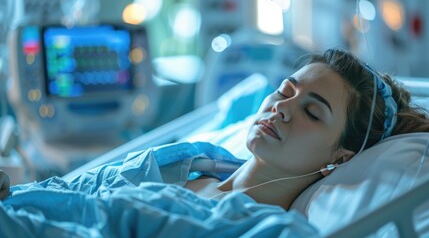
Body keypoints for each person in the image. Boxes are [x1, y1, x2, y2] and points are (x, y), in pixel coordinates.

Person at [1, 48, 429, 212]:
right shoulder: (196, 167)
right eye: (285, 91)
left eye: (312, 113)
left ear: (341, 157)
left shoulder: (254, 224)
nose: (281, 109)